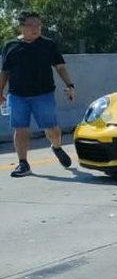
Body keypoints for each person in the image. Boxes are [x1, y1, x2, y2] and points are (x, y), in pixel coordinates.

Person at [1, 12, 76, 177]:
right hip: (17, 95)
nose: (35, 28)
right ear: (21, 27)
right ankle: (23, 164)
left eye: (38, 25)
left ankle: (56, 147)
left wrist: (70, 85)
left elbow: (60, 67)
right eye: (31, 25)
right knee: (20, 129)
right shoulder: (10, 46)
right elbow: (5, 71)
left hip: (43, 94)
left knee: (52, 129)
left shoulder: (48, 45)